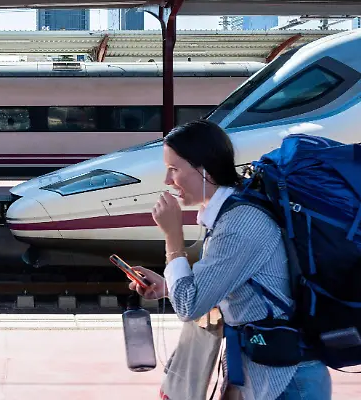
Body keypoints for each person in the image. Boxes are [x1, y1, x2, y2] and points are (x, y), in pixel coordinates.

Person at [129, 120, 332, 400]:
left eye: (174, 169)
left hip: (285, 378)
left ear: (203, 170)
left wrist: (173, 237)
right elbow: (220, 288)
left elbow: (190, 306)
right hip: (264, 365)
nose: (167, 180)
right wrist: (168, 287)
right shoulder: (229, 213)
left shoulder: (239, 223)